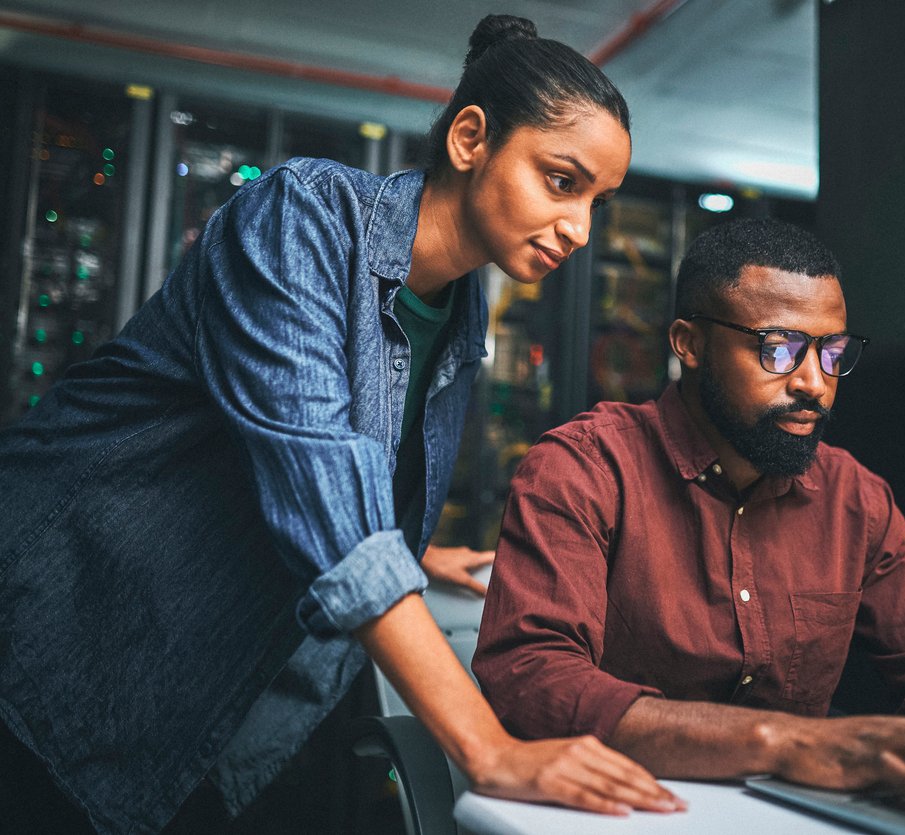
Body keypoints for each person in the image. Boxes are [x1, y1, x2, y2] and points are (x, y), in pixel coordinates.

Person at [0, 14, 684, 835]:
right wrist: (488, 746)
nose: (579, 227)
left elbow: (323, 472)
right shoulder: (305, 216)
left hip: (198, 689)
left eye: (597, 202)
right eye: (561, 180)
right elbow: (316, 475)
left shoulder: (464, 313)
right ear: (471, 139)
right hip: (58, 622)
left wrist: (414, 550)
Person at [474, 218, 905, 800]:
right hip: (619, 811)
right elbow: (531, 681)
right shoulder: (586, 468)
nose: (815, 383)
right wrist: (780, 741)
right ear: (688, 344)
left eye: (833, 351)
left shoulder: (855, 499)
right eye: (780, 349)